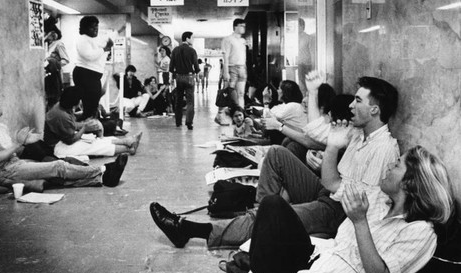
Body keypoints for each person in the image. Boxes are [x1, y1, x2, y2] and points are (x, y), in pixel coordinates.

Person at [149, 76, 400, 249]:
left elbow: (336, 185)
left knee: (273, 214)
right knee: (277, 155)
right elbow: (314, 133)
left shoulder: (384, 148)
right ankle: (260, 216)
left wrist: (331, 150)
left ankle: (190, 230)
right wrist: (313, 92)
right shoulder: (358, 133)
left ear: (375, 110)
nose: (350, 105)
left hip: (339, 212)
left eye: (358, 100)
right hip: (328, 194)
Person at [231, 145, 454, 273]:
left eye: (396, 165)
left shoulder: (421, 231)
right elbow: (332, 184)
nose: (388, 167)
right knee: (273, 206)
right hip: (319, 260)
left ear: (409, 184)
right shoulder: (378, 197)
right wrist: (332, 147)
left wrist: (360, 222)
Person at [0, 89, 127, 193]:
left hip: (14, 164)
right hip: (2, 172)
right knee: (58, 166)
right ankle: (104, 169)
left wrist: (26, 142)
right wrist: (19, 143)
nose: (1, 104)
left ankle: (101, 179)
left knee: (55, 175)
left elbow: (9, 153)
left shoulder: (0, 126)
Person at [44, 86, 142, 158]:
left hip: (62, 140)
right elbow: (70, 141)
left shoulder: (62, 106)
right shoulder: (62, 115)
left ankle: (127, 141)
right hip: (57, 147)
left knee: (93, 139)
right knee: (92, 145)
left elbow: (72, 124)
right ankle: (129, 148)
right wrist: (84, 128)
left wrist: (85, 125)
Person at [73, 16, 113, 120]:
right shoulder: (82, 39)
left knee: (93, 104)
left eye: (96, 27)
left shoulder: (94, 39)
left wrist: (107, 48)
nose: (95, 29)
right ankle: (88, 127)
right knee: (90, 106)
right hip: (84, 74)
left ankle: (92, 125)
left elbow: (104, 49)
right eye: (92, 27)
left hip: (93, 76)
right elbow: (89, 56)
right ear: (85, 28)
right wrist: (104, 49)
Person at [169, 31, 200, 130]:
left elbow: (171, 66)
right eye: (192, 38)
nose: (192, 40)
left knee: (178, 100)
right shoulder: (192, 51)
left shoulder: (175, 50)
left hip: (179, 77)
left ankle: (178, 122)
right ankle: (189, 123)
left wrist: (171, 78)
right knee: (190, 101)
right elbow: (196, 65)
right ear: (187, 38)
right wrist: (198, 76)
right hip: (189, 77)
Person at [261, 80, 307, 144]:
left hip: (298, 142)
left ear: (284, 92)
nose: (277, 91)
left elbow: (267, 119)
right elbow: (271, 112)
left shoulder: (293, 106)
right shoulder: (286, 105)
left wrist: (266, 101)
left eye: (279, 89)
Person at [222, 19, 247, 108]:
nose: (243, 28)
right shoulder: (228, 39)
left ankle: (241, 115)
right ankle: (225, 115)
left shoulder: (243, 41)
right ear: (235, 27)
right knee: (229, 94)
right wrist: (225, 72)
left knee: (241, 94)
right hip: (232, 68)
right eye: (241, 26)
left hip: (242, 68)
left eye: (244, 26)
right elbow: (225, 57)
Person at [297, 18, 315, 94]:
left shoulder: (309, 38)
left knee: (308, 84)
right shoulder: (294, 37)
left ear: (302, 26)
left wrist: (313, 66)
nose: (297, 28)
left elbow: (312, 52)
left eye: (298, 25)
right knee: (301, 84)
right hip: (299, 64)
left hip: (307, 64)